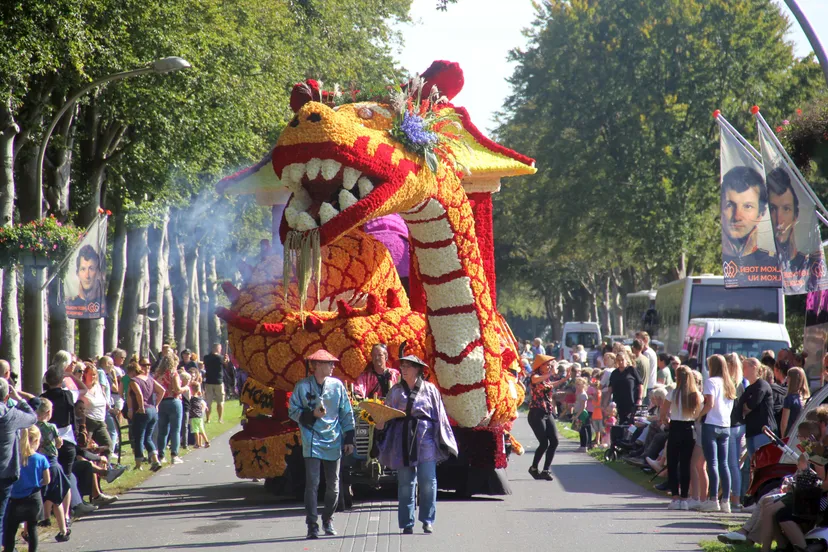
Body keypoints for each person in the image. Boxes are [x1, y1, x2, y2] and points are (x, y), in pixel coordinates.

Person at [376, 354, 457, 536]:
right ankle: (407, 522)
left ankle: (427, 520)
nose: (403, 369)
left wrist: (443, 440)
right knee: (405, 483)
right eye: (402, 366)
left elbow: (440, 415)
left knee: (428, 480)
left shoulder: (430, 390)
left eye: (407, 366)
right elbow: (386, 415)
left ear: (417, 369)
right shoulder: (395, 391)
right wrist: (380, 424)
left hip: (425, 437)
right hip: (402, 438)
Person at [288, 350, 355, 539]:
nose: (333, 366)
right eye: (329, 363)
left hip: (334, 439)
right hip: (311, 440)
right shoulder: (302, 387)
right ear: (316, 365)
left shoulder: (337, 386)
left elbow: (346, 412)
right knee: (313, 484)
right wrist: (311, 416)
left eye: (333, 363)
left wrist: (349, 438)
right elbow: (292, 411)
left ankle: (328, 518)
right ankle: (312, 524)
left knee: (334, 485)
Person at [720, 166, 779, 286]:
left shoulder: (776, 267)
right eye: (730, 205)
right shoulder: (702, 262)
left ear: (760, 214)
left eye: (747, 206)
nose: (737, 216)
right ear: (720, 209)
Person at [0, 377, 37, 544]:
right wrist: (20, 399)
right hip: (5, 473)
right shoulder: (11, 415)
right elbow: (32, 417)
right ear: (6, 397)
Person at [660, 366, 702, 509]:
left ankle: (675, 496)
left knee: (672, 462)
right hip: (689, 428)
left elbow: (663, 411)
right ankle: (684, 498)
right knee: (685, 464)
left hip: (676, 427)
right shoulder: (695, 393)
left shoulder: (673, 392)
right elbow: (699, 413)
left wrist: (666, 421)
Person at [699, 354, 736, 512]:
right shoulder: (729, 383)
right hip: (725, 425)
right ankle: (726, 500)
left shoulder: (711, 382)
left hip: (712, 423)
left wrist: (699, 414)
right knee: (724, 463)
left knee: (712, 463)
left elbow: (710, 403)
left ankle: (713, 498)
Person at [3, 426, 49, 552]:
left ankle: (9, 550)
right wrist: (38, 483)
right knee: (32, 528)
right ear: (35, 441)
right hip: (33, 496)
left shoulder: (14, 458)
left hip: (15, 497)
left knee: (11, 529)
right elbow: (47, 480)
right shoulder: (41, 459)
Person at [526, 356, 567, 480]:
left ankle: (546, 470)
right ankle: (533, 468)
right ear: (540, 365)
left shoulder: (545, 378)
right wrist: (551, 373)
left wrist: (564, 379)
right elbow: (537, 381)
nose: (549, 367)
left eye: (550, 365)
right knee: (544, 443)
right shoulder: (534, 376)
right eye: (547, 365)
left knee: (554, 441)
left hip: (547, 412)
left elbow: (550, 384)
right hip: (536, 413)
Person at [35, 399, 70, 541]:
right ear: (49, 412)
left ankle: (34, 526)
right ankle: (63, 530)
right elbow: (59, 443)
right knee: (57, 498)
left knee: (38, 494)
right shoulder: (51, 427)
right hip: (51, 461)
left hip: (37, 461)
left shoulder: (32, 427)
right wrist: (58, 442)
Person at [128, 358, 165, 471]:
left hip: (143, 412)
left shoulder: (134, 381)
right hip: (153, 410)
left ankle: (138, 464)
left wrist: (141, 407)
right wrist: (157, 405)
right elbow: (162, 390)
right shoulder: (149, 379)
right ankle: (155, 460)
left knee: (139, 438)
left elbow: (138, 394)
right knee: (148, 437)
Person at [155, 352, 184, 465]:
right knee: (175, 430)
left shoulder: (157, 375)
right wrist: (185, 388)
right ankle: (174, 455)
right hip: (174, 401)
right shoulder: (173, 373)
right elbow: (177, 389)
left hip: (162, 402)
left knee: (162, 430)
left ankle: (161, 455)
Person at [64, 244, 105, 319]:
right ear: (77, 273)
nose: (87, 276)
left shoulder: (103, 303)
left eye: (91, 268)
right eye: (83, 269)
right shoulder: (69, 303)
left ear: (98, 273)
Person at [81, 363, 112, 452]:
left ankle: (104, 464)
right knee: (85, 446)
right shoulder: (82, 389)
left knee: (108, 446)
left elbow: (105, 401)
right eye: (90, 374)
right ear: (85, 375)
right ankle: (89, 464)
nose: (92, 376)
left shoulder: (97, 386)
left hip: (100, 421)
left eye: (94, 374)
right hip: (88, 421)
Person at [609, 352, 643, 425]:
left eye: (622, 360)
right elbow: (610, 389)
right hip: (618, 404)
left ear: (626, 360)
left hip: (631, 403)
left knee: (631, 424)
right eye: (618, 360)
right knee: (620, 424)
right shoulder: (614, 373)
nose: (620, 362)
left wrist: (639, 399)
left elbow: (640, 384)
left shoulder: (631, 370)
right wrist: (608, 402)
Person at [780, 366, 809, 439]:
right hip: (803, 434)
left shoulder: (789, 399)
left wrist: (783, 436)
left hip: (791, 435)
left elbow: (784, 422)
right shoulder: (806, 398)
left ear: (790, 379)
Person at [203, 344, 228, 424]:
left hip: (209, 381)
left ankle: (208, 419)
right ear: (217, 348)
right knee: (220, 401)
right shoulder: (220, 358)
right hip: (218, 382)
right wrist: (226, 360)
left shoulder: (206, 357)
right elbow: (226, 364)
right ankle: (220, 419)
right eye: (220, 348)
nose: (220, 350)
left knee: (208, 402)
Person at [189, 384, 209, 449]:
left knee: (196, 430)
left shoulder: (191, 398)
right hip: (200, 416)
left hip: (194, 416)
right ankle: (207, 441)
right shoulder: (199, 398)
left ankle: (197, 443)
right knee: (201, 430)